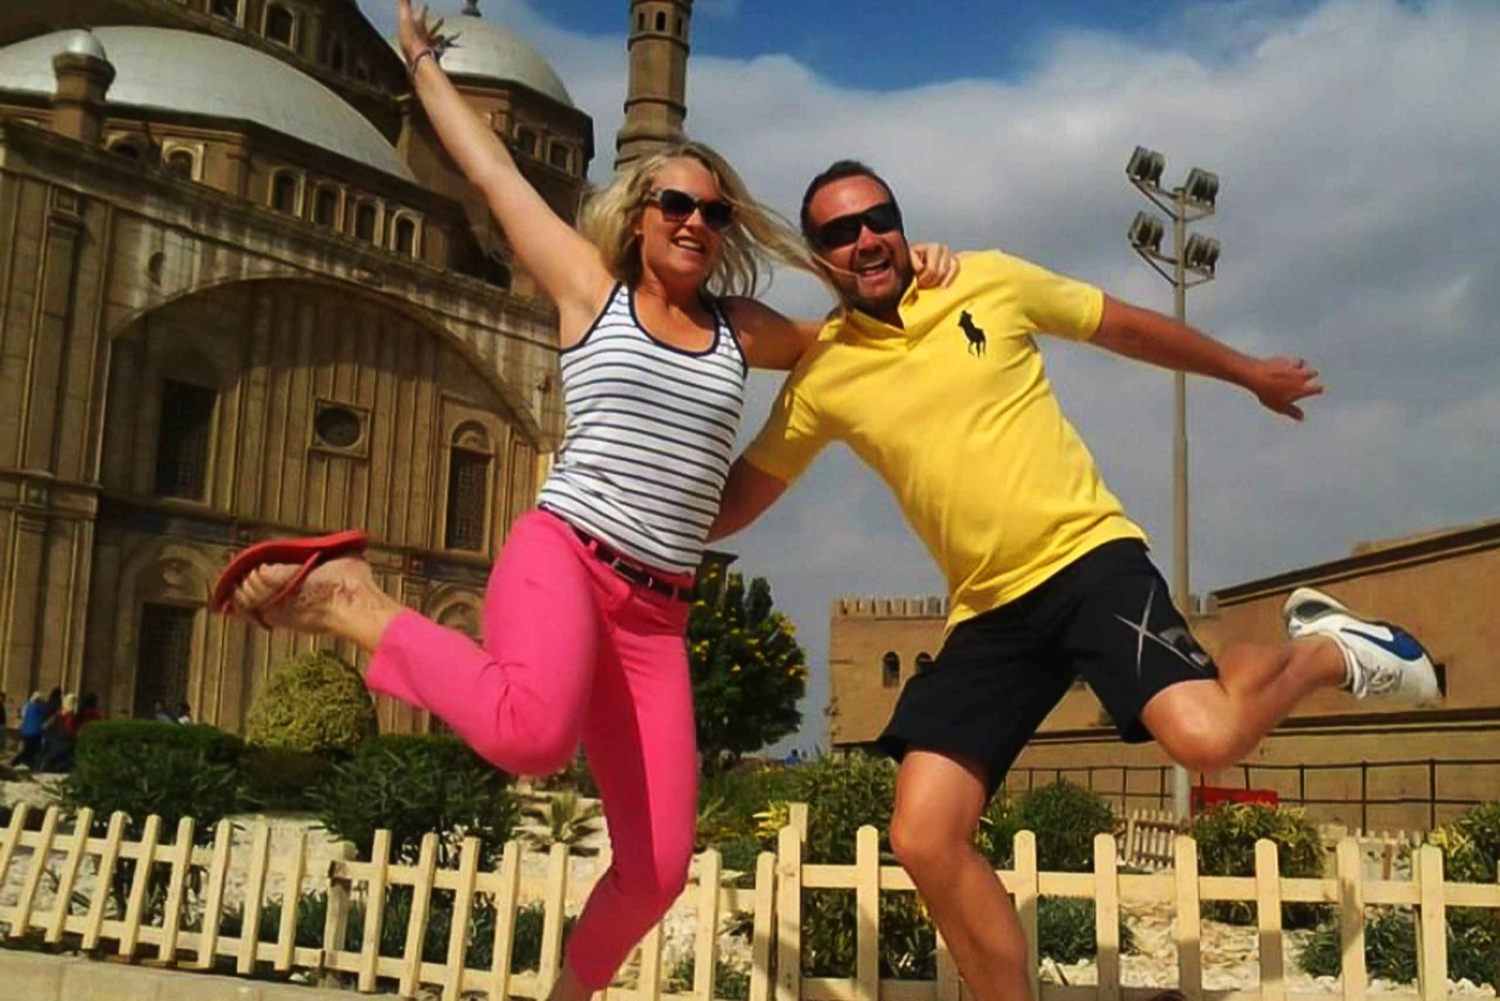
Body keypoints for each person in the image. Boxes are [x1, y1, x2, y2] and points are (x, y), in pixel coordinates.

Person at [214, 8, 956, 999]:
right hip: (565, 555)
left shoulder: (743, 329)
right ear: (639, 214)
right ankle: (357, 599)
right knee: (531, 734)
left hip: (657, 615)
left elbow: (859, 339)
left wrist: (915, 273)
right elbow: (493, 174)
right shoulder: (588, 287)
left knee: (658, 865)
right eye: (677, 203)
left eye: (715, 213)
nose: (696, 222)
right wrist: (424, 67)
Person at [710, 160, 1440, 1001]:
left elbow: (1123, 327)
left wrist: (1247, 372)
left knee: (1207, 740)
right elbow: (740, 497)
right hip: (988, 611)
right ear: (819, 256)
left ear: (902, 226)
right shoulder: (826, 374)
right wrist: (626, 510)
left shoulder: (985, 279)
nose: (867, 238)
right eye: (841, 231)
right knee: (923, 833)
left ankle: (1324, 651)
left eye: (880, 218)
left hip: (1088, 559)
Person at [11, 691, 48, 769]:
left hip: (26, 732)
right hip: (34, 732)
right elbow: (45, 713)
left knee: (29, 750)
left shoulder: (28, 707)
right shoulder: (38, 707)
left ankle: (27, 764)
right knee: (31, 750)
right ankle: (15, 762)